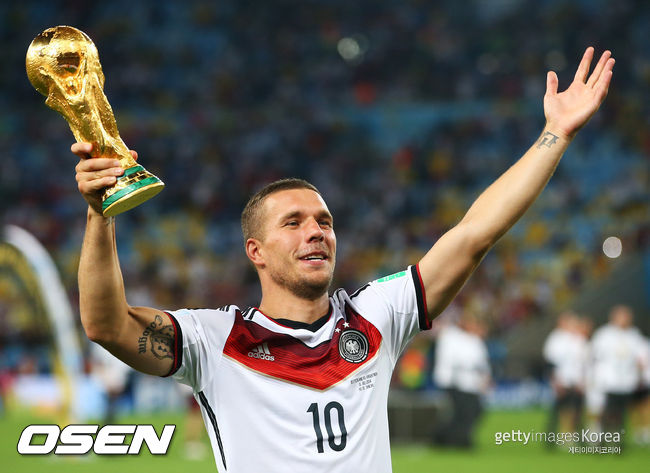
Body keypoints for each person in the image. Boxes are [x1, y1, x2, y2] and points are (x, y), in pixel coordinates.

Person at [71, 48, 614, 472]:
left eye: (324, 221)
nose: (317, 233)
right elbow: (105, 323)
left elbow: (474, 234)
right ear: (254, 252)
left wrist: (554, 134)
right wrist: (101, 213)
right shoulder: (215, 341)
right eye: (294, 223)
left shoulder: (377, 316)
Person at [590, 305, 647, 445]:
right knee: (605, 410)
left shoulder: (634, 335)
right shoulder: (604, 334)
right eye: (622, 316)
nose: (625, 319)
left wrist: (640, 371)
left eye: (627, 316)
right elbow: (595, 356)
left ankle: (619, 440)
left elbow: (642, 356)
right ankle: (600, 437)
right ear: (614, 317)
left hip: (626, 381)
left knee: (622, 413)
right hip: (608, 380)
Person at [432, 313, 490, 448]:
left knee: (469, 412)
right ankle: (457, 440)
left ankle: (450, 439)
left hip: (469, 383)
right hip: (457, 382)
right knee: (463, 413)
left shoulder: (472, 340)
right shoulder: (453, 337)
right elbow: (460, 361)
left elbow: (482, 365)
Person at [542, 311, 588, 440]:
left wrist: (582, 381)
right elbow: (551, 362)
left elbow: (583, 364)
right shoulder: (556, 338)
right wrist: (556, 381)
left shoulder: (579, 340)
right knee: (559, 410)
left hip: (577, 381)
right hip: (562, 380)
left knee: (577, 410)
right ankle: (552, 438)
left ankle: (575, 436)